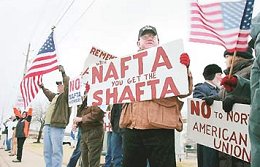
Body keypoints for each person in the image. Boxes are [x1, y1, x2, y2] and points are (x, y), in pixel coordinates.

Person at [119, 25, 193, 167]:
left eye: (153, 36)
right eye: (145, 36)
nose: (149, 38)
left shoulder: (171, 59)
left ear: (158, 41)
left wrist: (185, 69)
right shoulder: (127, 65)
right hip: (132, 127)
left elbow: (185, 91)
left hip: (160, 127)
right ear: (138, 43)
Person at [219, 12, 260, 167]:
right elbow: (256, 90)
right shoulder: (256, 67)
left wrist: (236, 98)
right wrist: (238, 86)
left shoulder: (249, 68)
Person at [204, 47, 253, 167]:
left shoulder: (253, 71)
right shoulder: (231, 75)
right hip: (228, 146)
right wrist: (214, 100)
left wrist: (237, 100)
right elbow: (223, 96)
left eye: (227, 56)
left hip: (245, 145)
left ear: (237, 57)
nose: (225, 60)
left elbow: (255, 96)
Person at [39, 65, 71, 167]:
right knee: (47, 151)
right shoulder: (55, 96)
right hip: (47, 126)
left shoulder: (66, 97)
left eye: (60, 84)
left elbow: (68, 84)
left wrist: (63, 73)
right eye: (57, 85)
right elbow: (48, 93)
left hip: (57, 126)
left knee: (56, 151)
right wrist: (43, 87)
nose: (58, 86)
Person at [193, 64, 222, 167]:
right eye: (219, 74)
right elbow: (198, 105)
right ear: (212, 75)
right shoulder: (200, 88)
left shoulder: (220, 90)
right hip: (207, 135)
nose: (221, 77)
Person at [73, 93, 105, 167]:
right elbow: (80, 113)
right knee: (84, 159)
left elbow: (98, 113)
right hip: (84, 131)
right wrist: (76, 123)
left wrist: (81, 119)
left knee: (93, 160)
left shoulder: (98, 96)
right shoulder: (85, 100)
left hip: (94, 131)